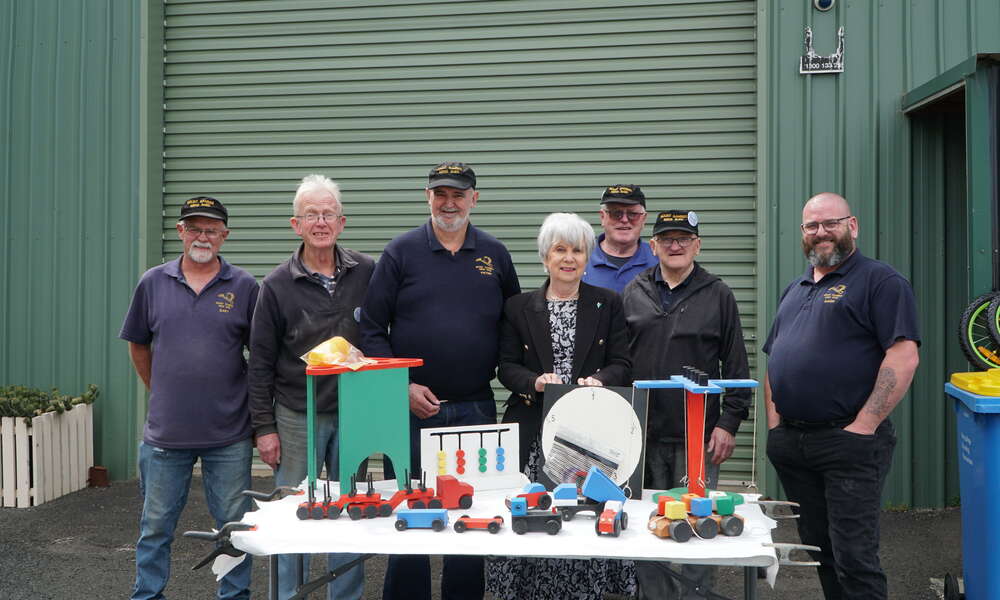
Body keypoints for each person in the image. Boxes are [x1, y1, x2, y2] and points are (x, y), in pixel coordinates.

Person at [361, 162, 520, 600]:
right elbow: (372, 329)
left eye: (459, 194)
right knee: (412, 514)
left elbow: (513, 324)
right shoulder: (401, 251)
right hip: (410, 408)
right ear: (426, 196)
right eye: (440, 194)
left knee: (472, 518)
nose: (449, 203)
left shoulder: (495, 254)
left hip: (474, 406)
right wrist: (401, 386)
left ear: (475, 198)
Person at [763, 192, 920, 599]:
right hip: (794, 444)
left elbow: (903, 356)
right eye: (812, 226)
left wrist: (862, 427)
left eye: (830, 223)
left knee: (855, 557)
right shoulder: (794, 289)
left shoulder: (880, 281)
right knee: (823, 552)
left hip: (847, 443)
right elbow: (773, 359)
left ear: (852, 226)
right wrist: (776, 426)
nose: (821, 233)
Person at [485, 212, 633, 600]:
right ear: (545, 257)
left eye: (578, 250)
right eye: (560, 250)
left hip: (589, 436)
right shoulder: (518, 307)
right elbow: (506, 367)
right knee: (532, 515)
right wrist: (534, 381)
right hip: (534, 434)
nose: (569, 258)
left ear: (588, 256)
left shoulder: (608, 304)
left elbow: (623, 363)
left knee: (582, 516)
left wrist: (601, 381)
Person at [120, 196, 259, 600]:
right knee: (156, 525)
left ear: (225, 236)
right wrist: (162, 389)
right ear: (180, 232)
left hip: (229, 434)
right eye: (194, 228)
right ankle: (148, 594)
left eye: (211, 229)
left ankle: (233, 595)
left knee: (233, 527)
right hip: (166, 435)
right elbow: (138, 346)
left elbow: (259, 355)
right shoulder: (153, 282)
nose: (203, 236)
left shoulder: (245, 286)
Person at [248, 174, 374, 600]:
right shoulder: (276, 285)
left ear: (342, 223)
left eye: (328, 214)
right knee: (291, 514)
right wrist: (263, 428)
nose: (320, 222)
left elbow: (384, 337)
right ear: (295, 224)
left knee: (351, 512)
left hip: (354, 412)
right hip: (296, 416)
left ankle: (346, 596)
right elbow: (260, 362)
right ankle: (287, 595)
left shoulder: (368, 273)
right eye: (311, 215)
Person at [622, 210, 751, 600]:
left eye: (683, 239)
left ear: (697, 244)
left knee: (699, 525)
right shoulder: (634, 291)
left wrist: (729, 422)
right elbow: (619, 362)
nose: (675, 246)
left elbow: (736, 362)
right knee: (647, 528)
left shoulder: (718, 293)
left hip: (697, 437)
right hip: (642, 434)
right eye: (667, 239)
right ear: (653, 246)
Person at [582, 184, 658, 292]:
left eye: (633, 214)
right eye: (616, 213)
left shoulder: (659, 259)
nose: (624, 220)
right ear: (603, 217)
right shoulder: (581, 258)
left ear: (644, 219)